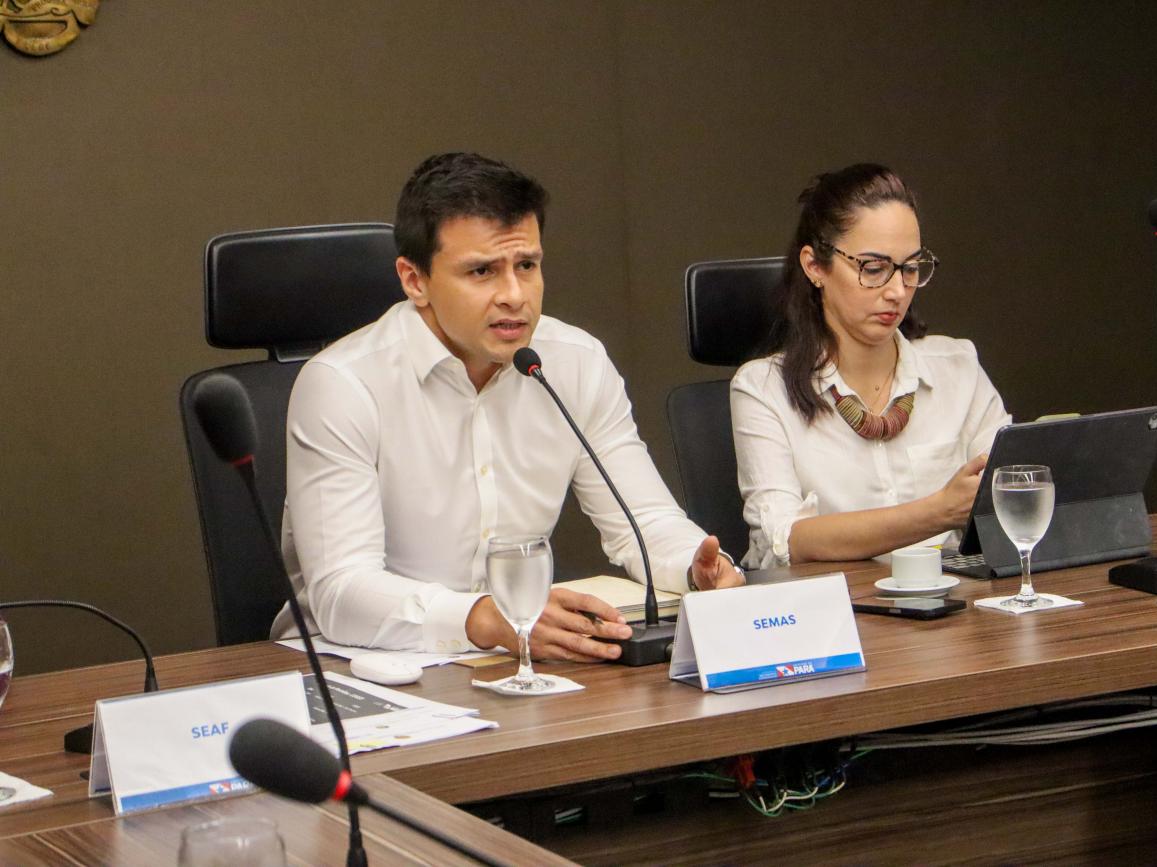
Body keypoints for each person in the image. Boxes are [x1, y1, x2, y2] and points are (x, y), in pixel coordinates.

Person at [272, 152, 743, 661]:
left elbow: (645, 521)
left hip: (512, 660)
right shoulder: (343, 384)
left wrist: (698, 567)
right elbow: (340, 591)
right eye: (482, 271)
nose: (515, 295)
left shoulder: (575, 362)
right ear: (414, 280)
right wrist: (483, 618)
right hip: (355, 666)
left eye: (527, 266)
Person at [730, 163, 1011, 569]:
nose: (897, 291)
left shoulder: (958, 368)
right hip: (830, 605)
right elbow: (785, 540)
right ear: (815, 267)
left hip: (951, 599)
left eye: (910, 268)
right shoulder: (763, 389)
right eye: (873, 269)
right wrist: (938, 511)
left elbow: (1009, 489)